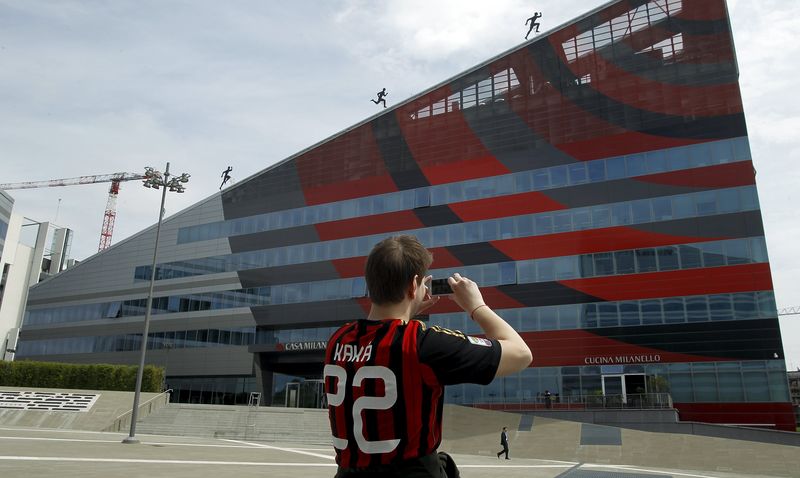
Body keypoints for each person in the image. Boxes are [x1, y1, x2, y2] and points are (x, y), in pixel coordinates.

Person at [324, 235, 533, 477]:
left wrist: (409, 309)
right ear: (414, 285)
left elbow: (383, 343)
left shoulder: (338, 339)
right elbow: (521, 354)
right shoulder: (425, 344)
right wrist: (476, 306)